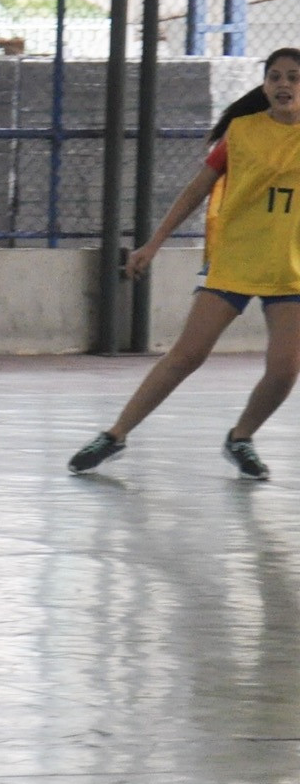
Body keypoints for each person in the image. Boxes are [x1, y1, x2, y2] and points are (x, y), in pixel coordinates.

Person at [69, 48, 300, 480]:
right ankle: (115, 434)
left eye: (294, 77)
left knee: (285, 371)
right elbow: (196, 191)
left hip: (289, 270)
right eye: (275, 77)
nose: (284, 84)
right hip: (235, 260)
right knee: (185, 356)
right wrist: (152, 244)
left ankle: (241, 438)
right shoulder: (242, 132)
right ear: (265, 85)